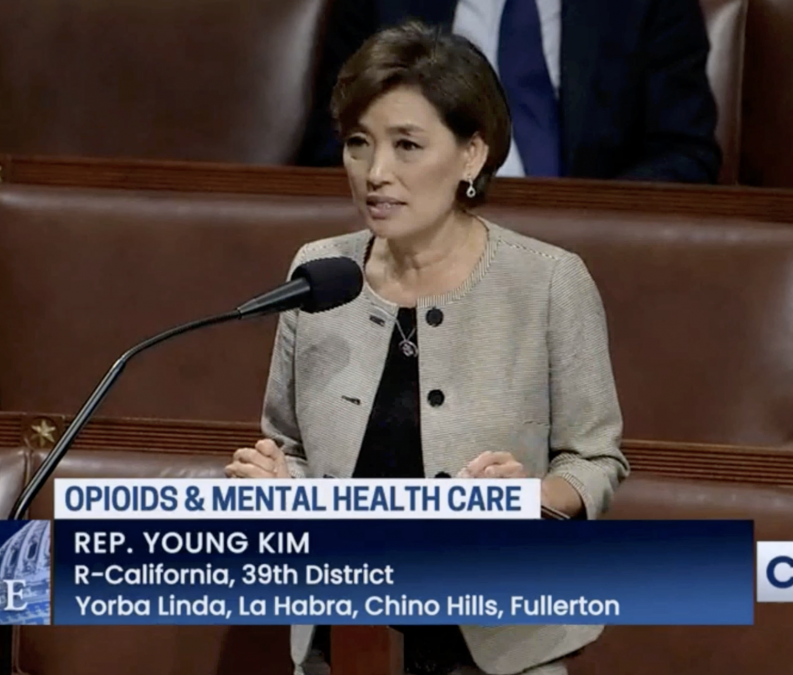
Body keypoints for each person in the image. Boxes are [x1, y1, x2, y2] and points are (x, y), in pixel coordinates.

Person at [227, 21, 630, 675]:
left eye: (407, 145)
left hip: (500, 649)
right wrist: (275, 486)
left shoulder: (550, 282)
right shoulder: (318, 272)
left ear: (472, 155)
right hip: (340, 642)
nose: (376, 173)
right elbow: (291, 446)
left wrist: (530, 497)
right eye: (358, 144)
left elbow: (595, 459)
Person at [296, 0, 721, 183]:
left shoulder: (645, 6)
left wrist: (588, 224)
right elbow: (336, 142)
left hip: (589, 254)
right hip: (422, 237)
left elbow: (685, 152)